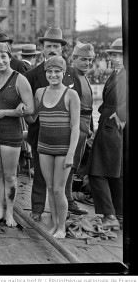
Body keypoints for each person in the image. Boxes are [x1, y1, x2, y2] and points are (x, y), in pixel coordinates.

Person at [24, 27, 85, 221]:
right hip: (40, 134)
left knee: (63, 178)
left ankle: (63, 209)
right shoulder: (32, 75)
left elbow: (78, 106)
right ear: (42, 48)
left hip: (64, 137)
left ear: (61, 49)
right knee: (41, 177)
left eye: (55, 46)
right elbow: (29, 106)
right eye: (48, 45)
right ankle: (37, 209)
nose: (52, 49)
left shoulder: (70, 75)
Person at [0, 42, 34, 227]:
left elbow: (31, 108)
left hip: (10, 133)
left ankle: (10, 213)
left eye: (3, 56)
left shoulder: (19, 79)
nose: (0, 60)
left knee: (10, 176)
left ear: (9, 57)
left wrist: (8, 112)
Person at [87, 38, 126, 230]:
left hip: (112, 125)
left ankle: (109, 216)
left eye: (120, 55)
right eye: (113, 55)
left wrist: (122, 115)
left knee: (97, 172)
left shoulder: (124, 74)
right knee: (114, 172)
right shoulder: (116, 73)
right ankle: (118, 215)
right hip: (107, 122)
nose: (116, 58)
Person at [65, 42, 96, 215]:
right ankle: (68, 200)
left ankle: (68, 198)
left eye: (90, 60)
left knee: (75, 164)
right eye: (83, 59)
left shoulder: (83, 76)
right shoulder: (71, 75)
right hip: (75, 126)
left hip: (84, 126)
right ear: (74, 58)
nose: (87, 63)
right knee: (70, 164)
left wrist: (90, 127)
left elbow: (89, 107)